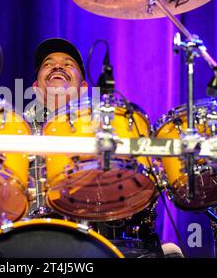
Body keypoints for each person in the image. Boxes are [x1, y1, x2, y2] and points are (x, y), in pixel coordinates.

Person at [24, 38, 184, 258]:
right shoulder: (17, 131)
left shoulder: (109, 126)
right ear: (35, 88)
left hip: (108, 239)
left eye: (68, 63)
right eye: (48, 64)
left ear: (83, 88)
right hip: (36, 244)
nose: (58, 66)